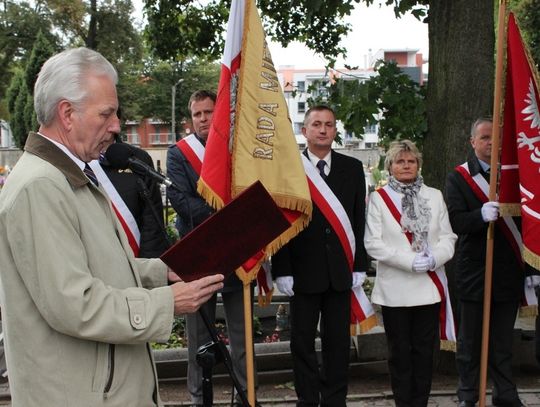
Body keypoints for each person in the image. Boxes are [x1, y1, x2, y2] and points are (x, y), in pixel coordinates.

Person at [0, 47, 224, 407]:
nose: (118, 125)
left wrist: (161, 271)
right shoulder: (40, 187)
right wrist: (167, 303)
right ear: (67, 114)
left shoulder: (66, 175)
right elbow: (76, 304)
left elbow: (93, 264)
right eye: (106, 114)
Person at [272, 105, 368, 406]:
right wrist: (282, 268)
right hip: (302, 272)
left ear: (335, 130)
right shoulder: (290, 168)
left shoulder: (352, 168)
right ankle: (307, 399)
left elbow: (357, 219)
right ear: (305, 131)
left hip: (340, 271)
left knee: (337, 343)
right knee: (302, 343)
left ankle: (335, 399)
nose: (323, 129)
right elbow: (281, 221)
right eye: (316, 124)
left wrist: (359, 264)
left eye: (328, 124)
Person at [166, 90, 250, 406]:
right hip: (198, 257)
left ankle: (245, 396)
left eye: (208, 112)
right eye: (198, 114)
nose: (203, 119)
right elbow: (181, 202)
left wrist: (225, 215)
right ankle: (199, 400)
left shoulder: (237, 151)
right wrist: (226, 215)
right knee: (198, 341)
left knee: (241, 340)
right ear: (191, 118)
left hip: (237, 255)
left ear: (219, 114)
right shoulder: (178, 154)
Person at [364, 140, 457, 407]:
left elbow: (448, 236)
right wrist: (408, 261)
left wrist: (434, 258)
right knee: (399, 353)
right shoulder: (380, 199)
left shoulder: (435, 195)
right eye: (399, 161)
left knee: (424, 353)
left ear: (418, 164)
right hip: (395, 289)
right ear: (390, 166)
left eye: (411, 161)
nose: (406, 166)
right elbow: (373, 243)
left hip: (428, 286)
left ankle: (420, 403)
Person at [446, 118, 525, 407]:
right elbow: (455, 221)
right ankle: (469, 395)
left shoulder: (512, 176)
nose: (491, 142)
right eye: (485, 137)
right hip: (474, 271)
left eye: (496, 137)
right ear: (473, 142)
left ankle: (505, 393)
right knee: (470, 343)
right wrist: (479, 216)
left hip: (507, 271)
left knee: (503, 342)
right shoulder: (459, 177)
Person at [93, 137, 170, 258]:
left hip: (141, 260)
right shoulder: (75, 161)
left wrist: (148, 268)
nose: (115, 126)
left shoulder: (138, 157)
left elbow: (152, 220)